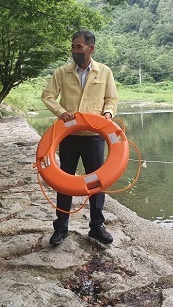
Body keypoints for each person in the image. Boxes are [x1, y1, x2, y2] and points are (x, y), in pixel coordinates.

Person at [41, 30, 119, 246]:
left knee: (97, 182)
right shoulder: (61, 73)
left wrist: (107, 115)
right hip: (69, 136)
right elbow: (47, 95)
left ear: (91, 48)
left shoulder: (104, 72)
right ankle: (61, 227)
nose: (74, 50)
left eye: (79, 47)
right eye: (73, 47)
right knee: (64, 181)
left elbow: (111, 98)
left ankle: (96, 227)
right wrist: (60, 112)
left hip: (95, 136)